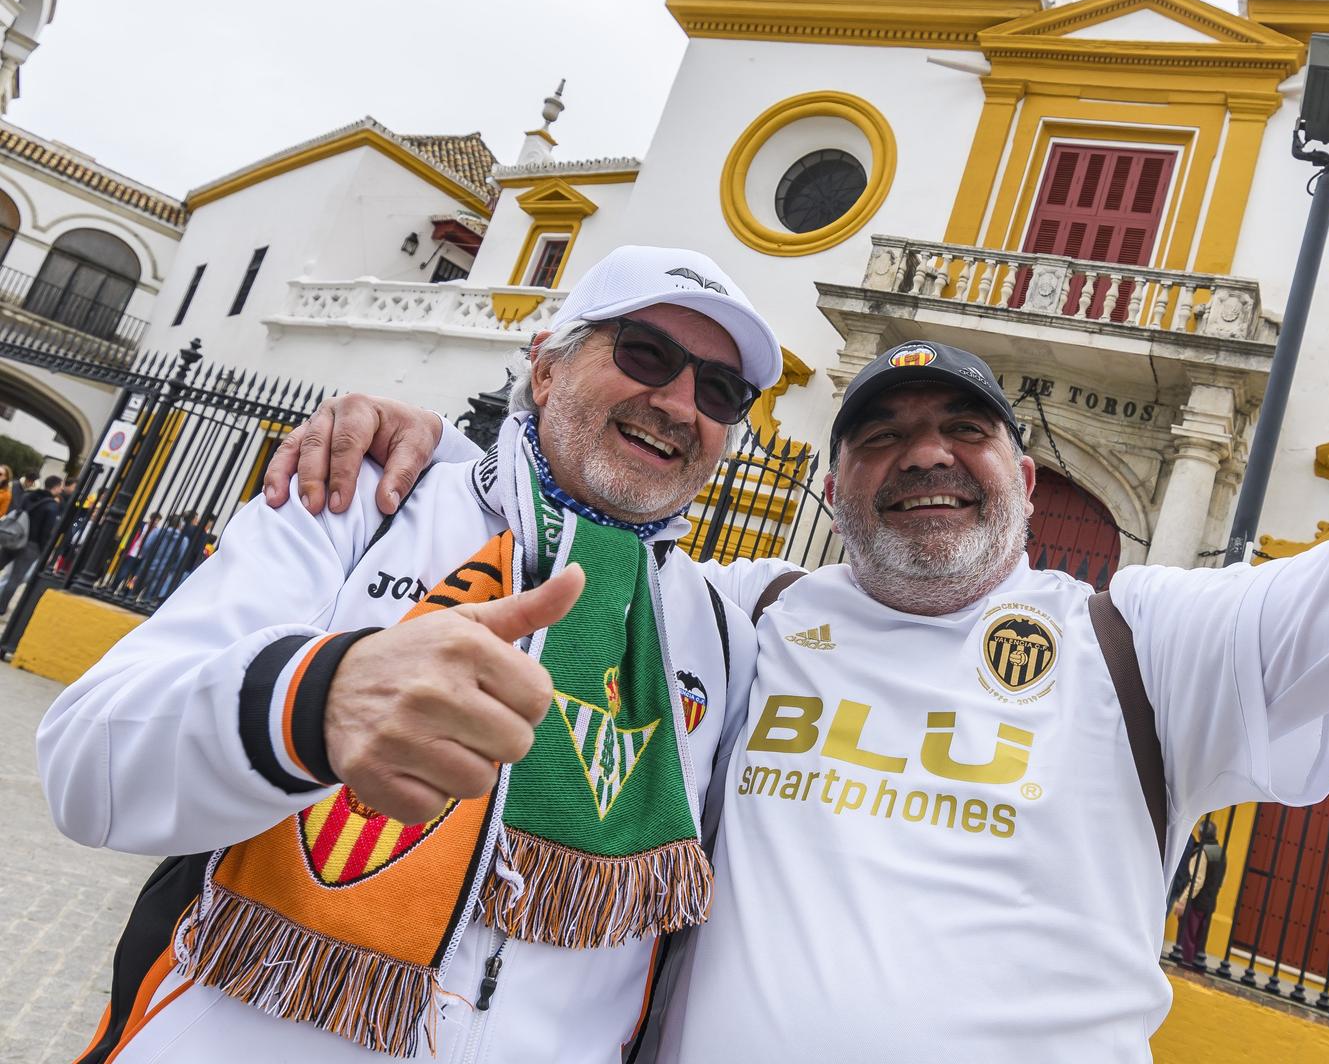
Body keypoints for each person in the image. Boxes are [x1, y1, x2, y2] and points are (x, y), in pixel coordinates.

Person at [260, 32, 1329, 1060]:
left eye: (962, 432)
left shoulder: (1157, 645)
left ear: (1024, 480)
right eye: (882, 437)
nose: (926, 461)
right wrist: (417, 430)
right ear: (834, 485)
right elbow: (565, 496)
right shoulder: (733, 616)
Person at [37, 247, 784, 1063]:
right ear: (544, 369)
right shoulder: (363, 501)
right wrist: (312, 703)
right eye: (645, 352)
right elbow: (87, 766)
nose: (680, 402)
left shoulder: (722, 631)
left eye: (720, 391)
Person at [0, 473, 67, 655]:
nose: (62, 489)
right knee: (15, 578)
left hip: (14, 537)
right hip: (31, 545)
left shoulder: (30, 495)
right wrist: (46, 551)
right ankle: (1, 607)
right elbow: (47, 532)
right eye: (61, 486)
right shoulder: (52, 506)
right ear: (55, 487)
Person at [1171, 819, 1225, 970]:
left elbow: (1197, 881)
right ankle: (1196, 967)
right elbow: (1221, 880)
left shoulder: (1203, 852)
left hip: (1196, 902)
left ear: (1200, 834)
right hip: (1209, 903)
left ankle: (1185, 968)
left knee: (1187, 939)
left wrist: (1182, 901)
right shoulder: (1221, 852)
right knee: (1199, 940)